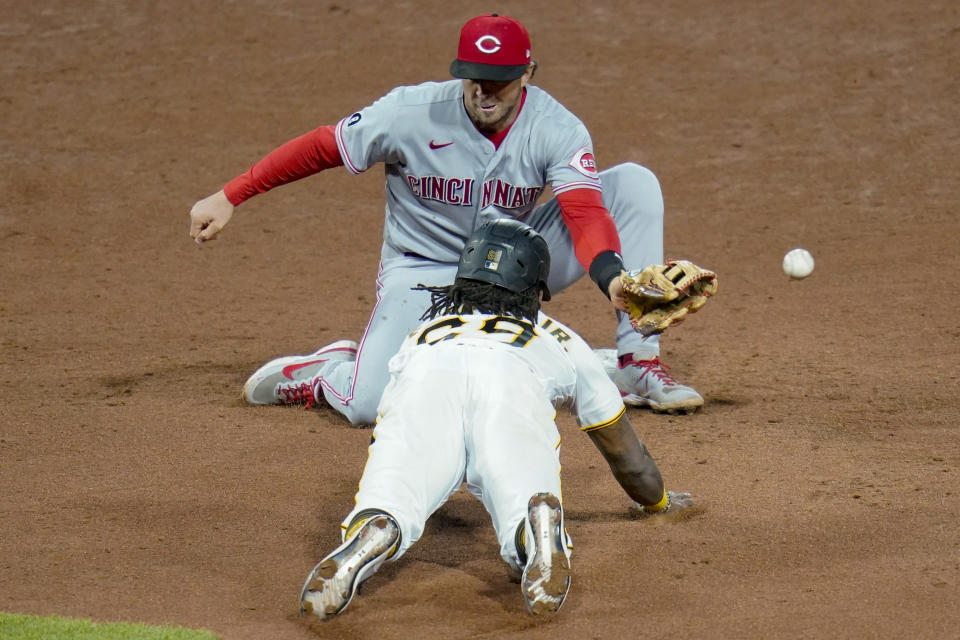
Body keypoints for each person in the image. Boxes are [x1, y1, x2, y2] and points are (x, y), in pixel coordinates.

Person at [190, 13, 705, 426]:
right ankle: (327, 371)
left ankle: (638, 364)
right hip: (423, 270)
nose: (484, 92)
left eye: (499, 82)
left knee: (633, 183)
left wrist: (614, 280)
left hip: (515, 265)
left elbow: (585, 211)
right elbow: (324, 146)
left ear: (528, 74)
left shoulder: (555, 127)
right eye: (473, 79)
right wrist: (231, 194)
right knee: (371, 407)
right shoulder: (411, 112)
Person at [294, 219, 692, 621]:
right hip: (510, 387)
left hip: (427, 381)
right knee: (521, 496)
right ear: (536, 289)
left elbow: (391, 406)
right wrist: (658, 501)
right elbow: (629, 460)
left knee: (394, 492)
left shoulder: (426, 328)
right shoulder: (559, 338)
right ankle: (532, 534)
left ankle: (380, 524)